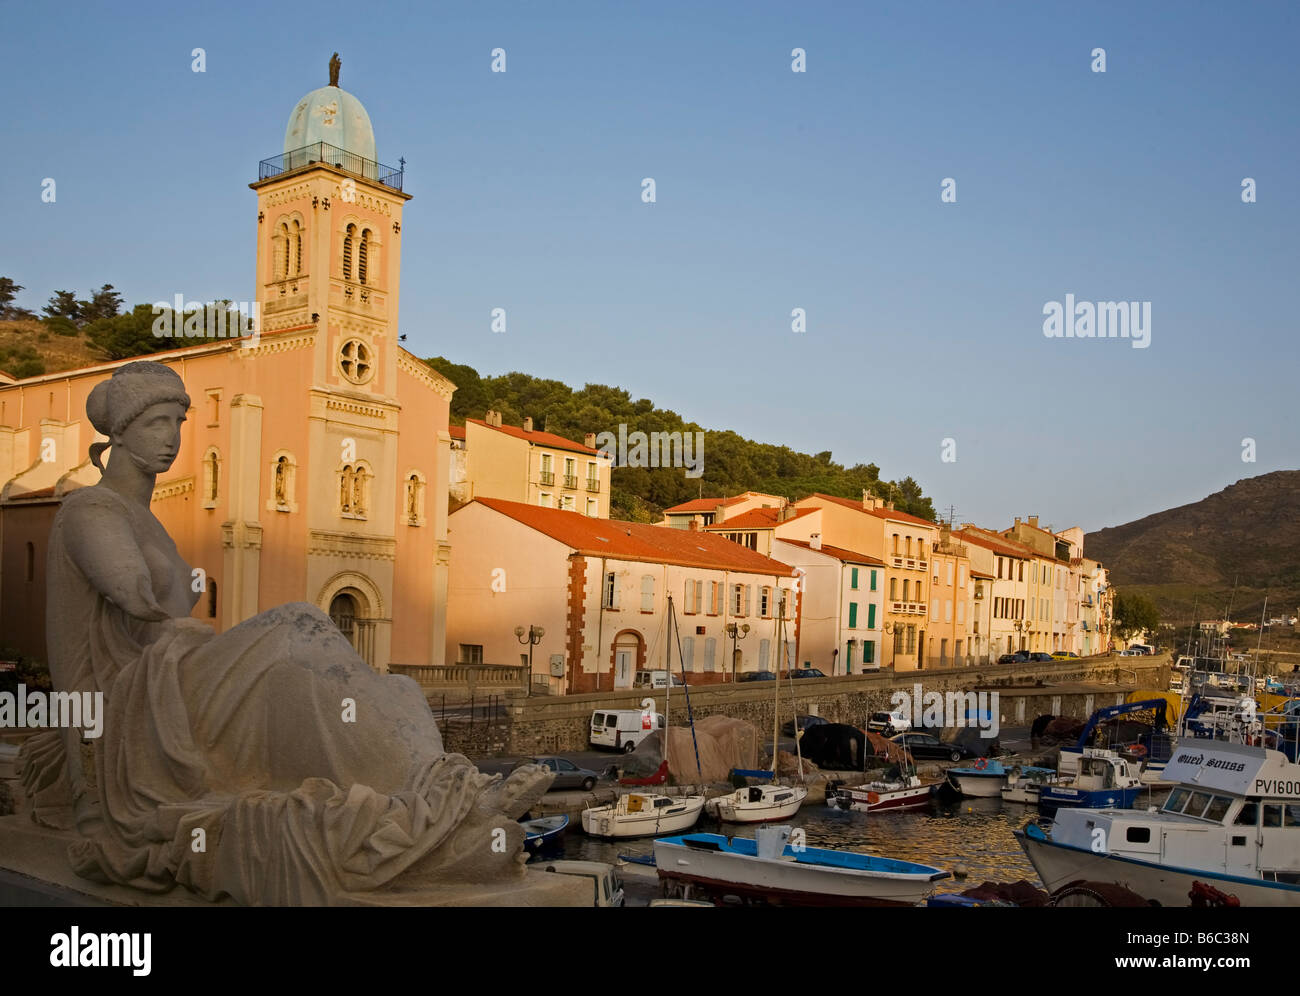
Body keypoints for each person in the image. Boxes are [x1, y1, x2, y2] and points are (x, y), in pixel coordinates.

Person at [20, 360, 548, 905]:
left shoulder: (151, 520)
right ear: (120, 433)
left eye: (179, 422)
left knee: (397, 688)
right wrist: (155, 596)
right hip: (134, 701)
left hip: (177, 674)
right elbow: (127, 587)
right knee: (298, 624)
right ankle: (442, 807)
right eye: (156, 423)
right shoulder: (89, 508)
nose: (173, 438)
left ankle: (451, 799)